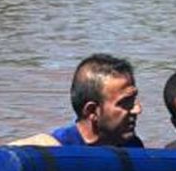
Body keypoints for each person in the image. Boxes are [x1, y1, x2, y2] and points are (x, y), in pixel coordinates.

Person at [10, 54, 144, 148]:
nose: (137, 109)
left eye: (133, 100)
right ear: (91, 111)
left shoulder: (132, 147)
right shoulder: (51, 150)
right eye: (125, 103)